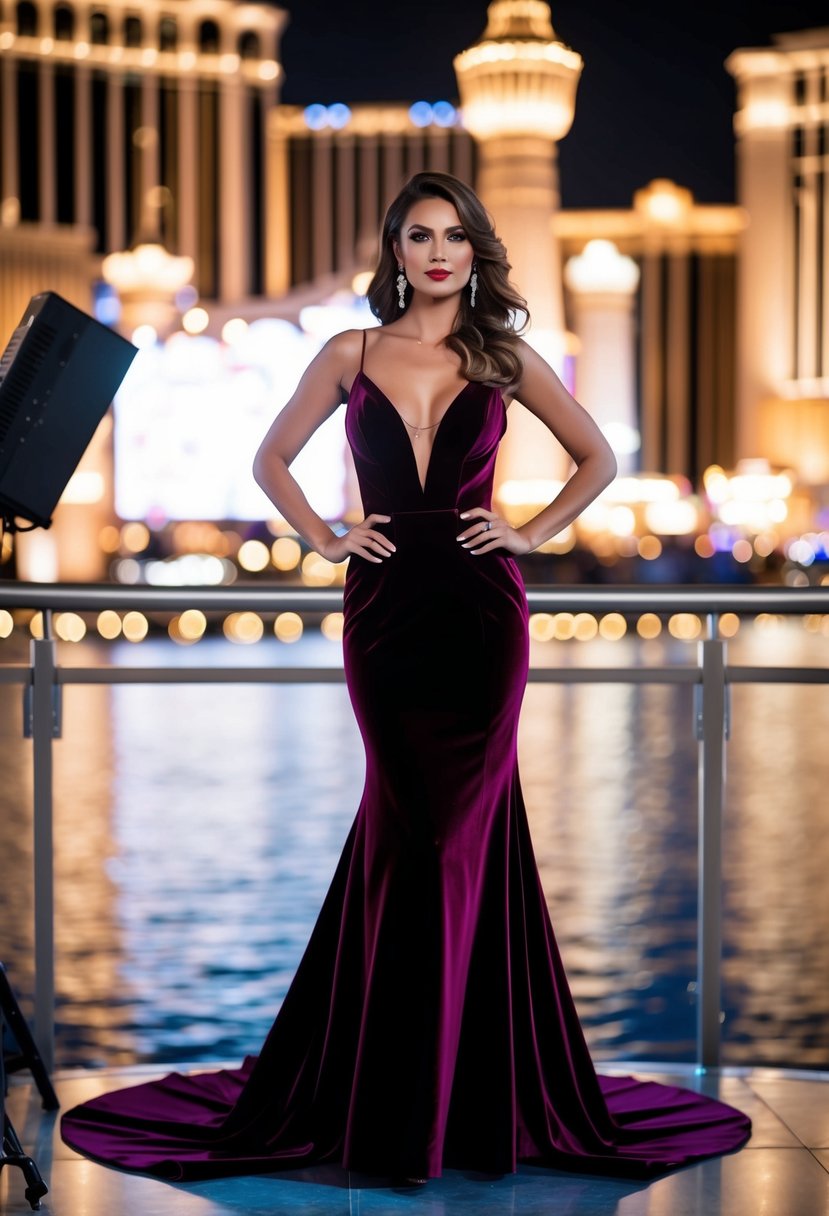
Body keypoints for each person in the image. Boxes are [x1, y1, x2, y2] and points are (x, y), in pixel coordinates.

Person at [61, 171, 750, 1183]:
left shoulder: (504, 353)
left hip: (480, 615)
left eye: (454, 237)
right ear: (395, 252)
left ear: (475, 253)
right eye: (418, 236)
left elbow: (595, 458)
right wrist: (328, 536)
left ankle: (432, 1109)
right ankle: (409, 1096)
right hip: (383, 618)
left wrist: (530, 530)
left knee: (447, 842)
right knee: (411, 836)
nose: (436, 253)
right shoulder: (349, 351)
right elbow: (270, 460)